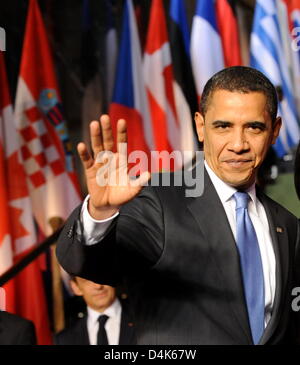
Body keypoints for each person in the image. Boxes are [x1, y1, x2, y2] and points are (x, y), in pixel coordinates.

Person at [56, 66, 300, 345]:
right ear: (200, 126)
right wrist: (100, 213)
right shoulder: (159, 199)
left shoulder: (289, 226)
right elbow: (91, 264)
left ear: (275, 130)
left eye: (253, 127)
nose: (238, 144)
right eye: (223, 126)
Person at [55, 277, 136, 345]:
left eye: (102, 277)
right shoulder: (65, 340)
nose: (98, 286)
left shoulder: (144, 321)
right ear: (76, 287)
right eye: (88, 280)